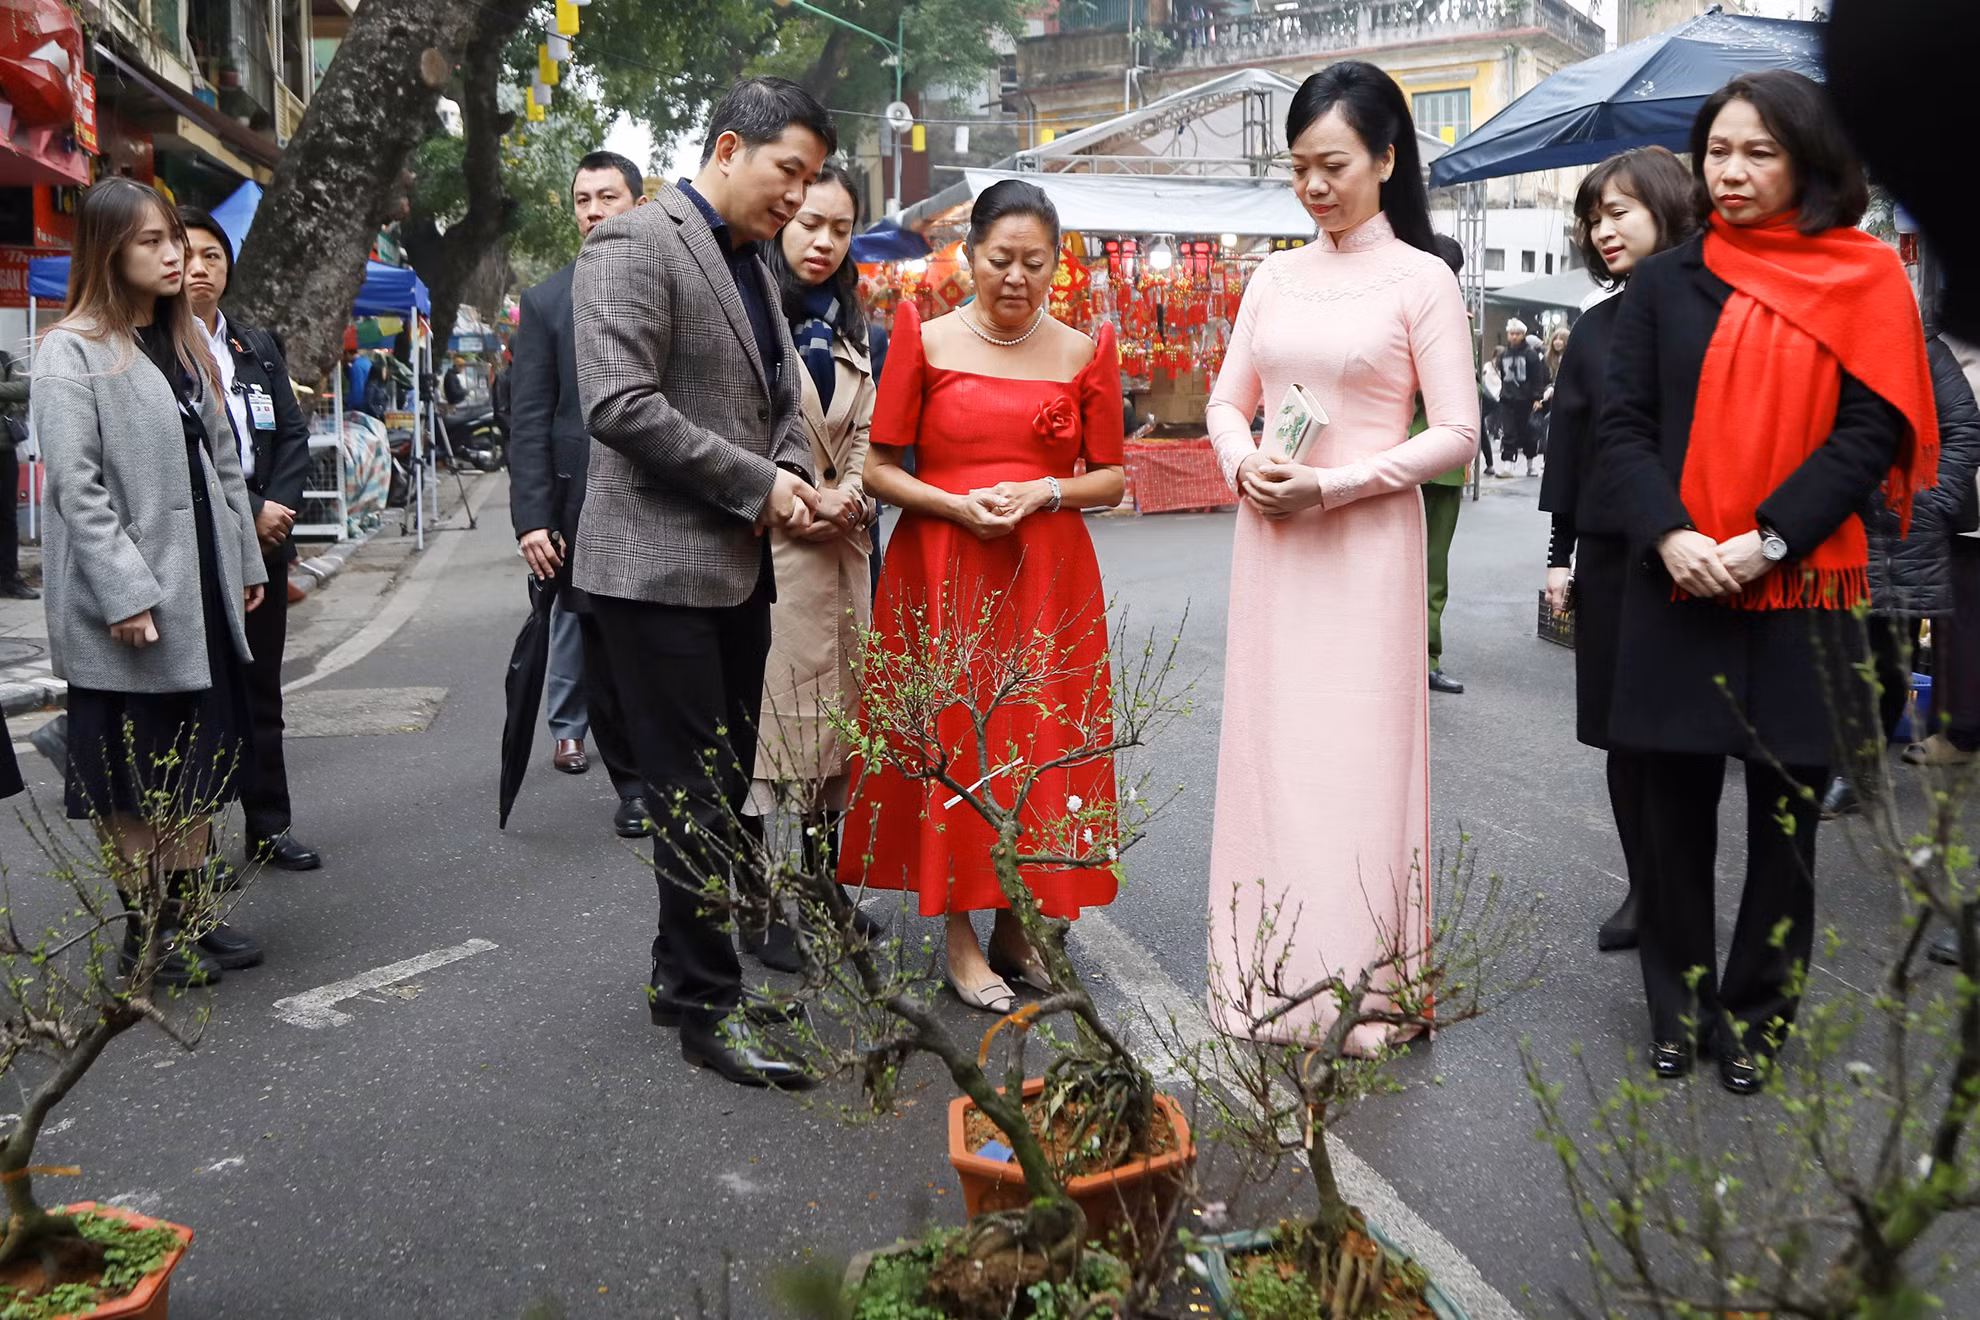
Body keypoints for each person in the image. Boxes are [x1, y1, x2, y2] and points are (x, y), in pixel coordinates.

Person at [1598, 72, 1936, 1093]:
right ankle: (1677, 1004)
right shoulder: (1667, 282)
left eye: (1759, 152)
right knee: (1672, 815)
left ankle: (1757, 1016)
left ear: (1811, 161)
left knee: (1784, 824)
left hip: (1802, 591)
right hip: (1678, 579)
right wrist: (1671, 536)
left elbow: (1871, 431)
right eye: (1718, 151)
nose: (1731, 171)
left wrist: (1768, 541)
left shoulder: (1866, 277)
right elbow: (1623, 427)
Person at [1203, 62, 1478, 1049]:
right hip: (1273, 540)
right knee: (1273, 754)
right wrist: (1244, 466)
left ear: (1386, 158)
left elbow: (1456, 433)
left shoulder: (1423, 279)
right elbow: (1225, 400)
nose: (1315, 186)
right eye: (1300, 169)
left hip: (1365, 545)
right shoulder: (1274, 277)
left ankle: (1360, 990)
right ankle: (1268, 976)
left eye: (1334, 165)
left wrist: (1337, 485)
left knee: (1356, 758)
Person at [572, 76, 839, 1090]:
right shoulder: (634, 242)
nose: (796, 199)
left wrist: (796, 474)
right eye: (789, 174)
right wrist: (763, 485)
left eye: (811, 181)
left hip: (734, 565)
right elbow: (621, 404)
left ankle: (681, 973)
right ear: (730, 147)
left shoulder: (750, 262)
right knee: (692, 794)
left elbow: (778, 395)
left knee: (723, 783)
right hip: (654, 572)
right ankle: (705, 1008)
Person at [837, 179, 1126, 1015]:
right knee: (954, 740)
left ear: (1056, 266)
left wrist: (1046, 493)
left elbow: (1107, 478)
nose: (1015, 278)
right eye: (1000, 259)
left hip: (1047, 577)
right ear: (967, 257)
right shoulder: (920, 341)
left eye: (1035, 263)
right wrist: (954, 505)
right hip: (941, 571)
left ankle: (1012, 924)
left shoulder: (1083, 350)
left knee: (1034, 742)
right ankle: (959, 933)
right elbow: (880, 468)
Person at [31, 178, 269, 985]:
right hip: (131, 597)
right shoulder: (71, 349)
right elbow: (76, 487)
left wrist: (243, 563)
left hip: (197, 581)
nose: (174, 256)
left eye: (175, 238)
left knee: (198, 765)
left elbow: (224, 466)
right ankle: (148, 935)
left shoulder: (182, 340)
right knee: (137, 777)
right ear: (107, 251)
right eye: (151, 242)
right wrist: (124, 591)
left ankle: (187, 915)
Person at [1536, 146, 1699, 955]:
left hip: (1685, 552)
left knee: (1673, 737)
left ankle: (1678, 895)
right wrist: (1558, 555)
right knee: (1616, 733)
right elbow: (1569, 450)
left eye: (1620, 212)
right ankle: (1642, 886)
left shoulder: (1707, 314)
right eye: (1594, 218)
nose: (1603, 230)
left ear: (1668, 207)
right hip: (1603, 553)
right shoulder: (1594, 329)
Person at [739, 159, 881, 972]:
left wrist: (855, 494)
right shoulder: (750, 314)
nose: (823, 242)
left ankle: (826, 890)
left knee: (835, 741)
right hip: (771, 556)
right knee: (768, 741)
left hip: (843, 560)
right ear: (783, 221)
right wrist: (796, 498)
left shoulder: (855, 322)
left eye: (839, 228)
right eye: (809, 225)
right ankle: (760, 906)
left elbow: (865, 433)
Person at [508, 150, 652, 839]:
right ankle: (632, 786)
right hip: (583, 510)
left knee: (665, 649)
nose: (593, 211)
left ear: (638, 202)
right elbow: (530, 418)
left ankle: (677, 771)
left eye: (607, 197)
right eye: (583, 200)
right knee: (599, 648)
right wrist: (534, 518)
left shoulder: (671, 281)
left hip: (668, 500)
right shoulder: (544, 302)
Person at [179, 205, 323, 874]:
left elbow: (291, 433)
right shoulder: (156, 348)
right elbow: (194, 456)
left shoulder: (256, 345)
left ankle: (269, 823)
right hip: (206, 549)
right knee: (203, 700)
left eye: (212, 255)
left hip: (267, 546)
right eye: (187, 254)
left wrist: (280, 507)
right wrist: (251, 509)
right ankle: (192, 845)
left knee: (265, 691)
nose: (200, 267)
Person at [1819, 333, 1980, 820]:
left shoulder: (1917, 343)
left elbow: (1963, 428)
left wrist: (1928, 506)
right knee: (1826, 653)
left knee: (1883, 657)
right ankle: (1820, 760)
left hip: (1899, 530)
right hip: (1820, 523)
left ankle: (1858, 773)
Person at [1422, 234, 1470, 697]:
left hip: (1427, 460)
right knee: (1431, 568)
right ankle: (1424, 659)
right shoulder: (1437, 316)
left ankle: (1423, 658)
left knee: (1430, 568)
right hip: (1426, 461)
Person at [0, 346, 38, 598]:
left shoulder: (5, 359)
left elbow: (25, 387)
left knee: (7, 517)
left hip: (4, 450)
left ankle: (8, 578)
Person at [1493, 317, 1548, 476]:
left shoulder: (1530, 355)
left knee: (1529, 433)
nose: (1514, 336)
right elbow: (1504, 376)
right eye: (1511, 333)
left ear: (1523, 335)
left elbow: (1537, 377)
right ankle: (1508, 466)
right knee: (1508, 432)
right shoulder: (1503, 354)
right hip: (1508, 398)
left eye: (1517, 333)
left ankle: (1530, 466)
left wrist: (1537, 398)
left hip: (1527, 400)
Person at [344, 345, 374, 416]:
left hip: (361, 406)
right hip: (370, 402)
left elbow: (357, 389)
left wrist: (350, 407)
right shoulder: (366, 362)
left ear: (347, 353)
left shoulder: (356, 366)